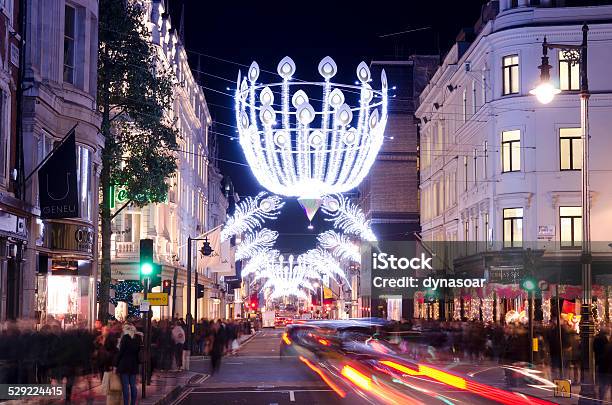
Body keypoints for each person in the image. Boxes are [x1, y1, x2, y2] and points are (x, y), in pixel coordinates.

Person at [116, 324, 142, 405]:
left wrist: (115, 363)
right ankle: (133, 403)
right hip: (134, 364)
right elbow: (139, 351)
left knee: (125, 386)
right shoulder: (138, 338)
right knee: (133, 385)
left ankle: (126, 403)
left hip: (125, 364)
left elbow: (121, 352)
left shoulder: (125, 338)